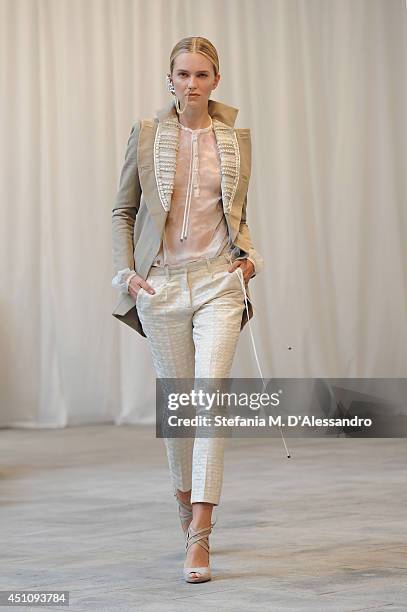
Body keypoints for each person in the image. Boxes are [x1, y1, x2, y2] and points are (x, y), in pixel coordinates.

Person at [111, 36, 264, 583]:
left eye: (202, 75)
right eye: (182, 75)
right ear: (169, 79)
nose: (192, 84)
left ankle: (201, 531)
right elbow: (122, 211)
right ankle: (184, 496)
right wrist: (128, 274)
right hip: (161, 287)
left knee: (209, 399)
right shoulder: (147, 135)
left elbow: (237, 214)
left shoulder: (234, 139)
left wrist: (249, 258)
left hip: (218, 282)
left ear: (215, 80)